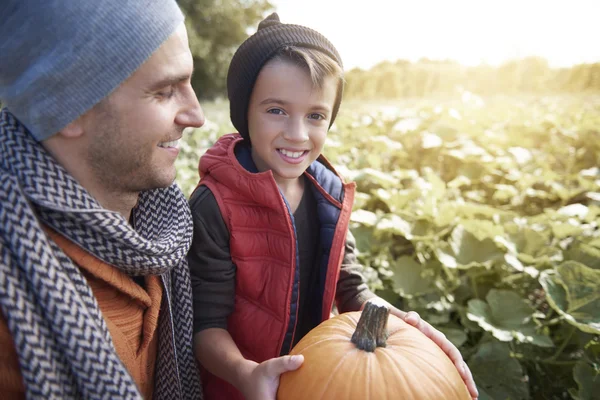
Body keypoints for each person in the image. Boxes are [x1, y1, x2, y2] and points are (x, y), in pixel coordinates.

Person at [188, 13, 478, 400]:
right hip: (236, 385)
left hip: (317, 377)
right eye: (276, 110)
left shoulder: (330, 194)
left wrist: (403, 324)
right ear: (244, 112)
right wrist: (245, 374)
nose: (297, 134)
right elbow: (205, 325)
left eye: (315, 116)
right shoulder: (214, 204)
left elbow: (351, 286)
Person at [0, 1, 205, 398]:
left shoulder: (164, 228)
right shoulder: (11, 306)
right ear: (67, 108)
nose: (195, 114)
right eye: (165, 91)